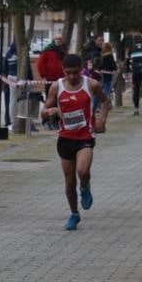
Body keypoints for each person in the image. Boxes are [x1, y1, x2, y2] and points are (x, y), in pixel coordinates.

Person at [40, 54, 110, 231]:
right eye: (68, 72)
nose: (72, 76)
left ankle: (85, 186)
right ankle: (74, 214)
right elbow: (43, 111)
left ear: (82, 69)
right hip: (65, 139)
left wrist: (102, 121)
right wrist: (48, 112)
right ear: (63, 71)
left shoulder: (91, 84)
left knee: (82, 170)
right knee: (70, 181)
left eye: (76, 72)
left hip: (85, 137)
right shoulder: (57, 87)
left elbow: (105, 101)